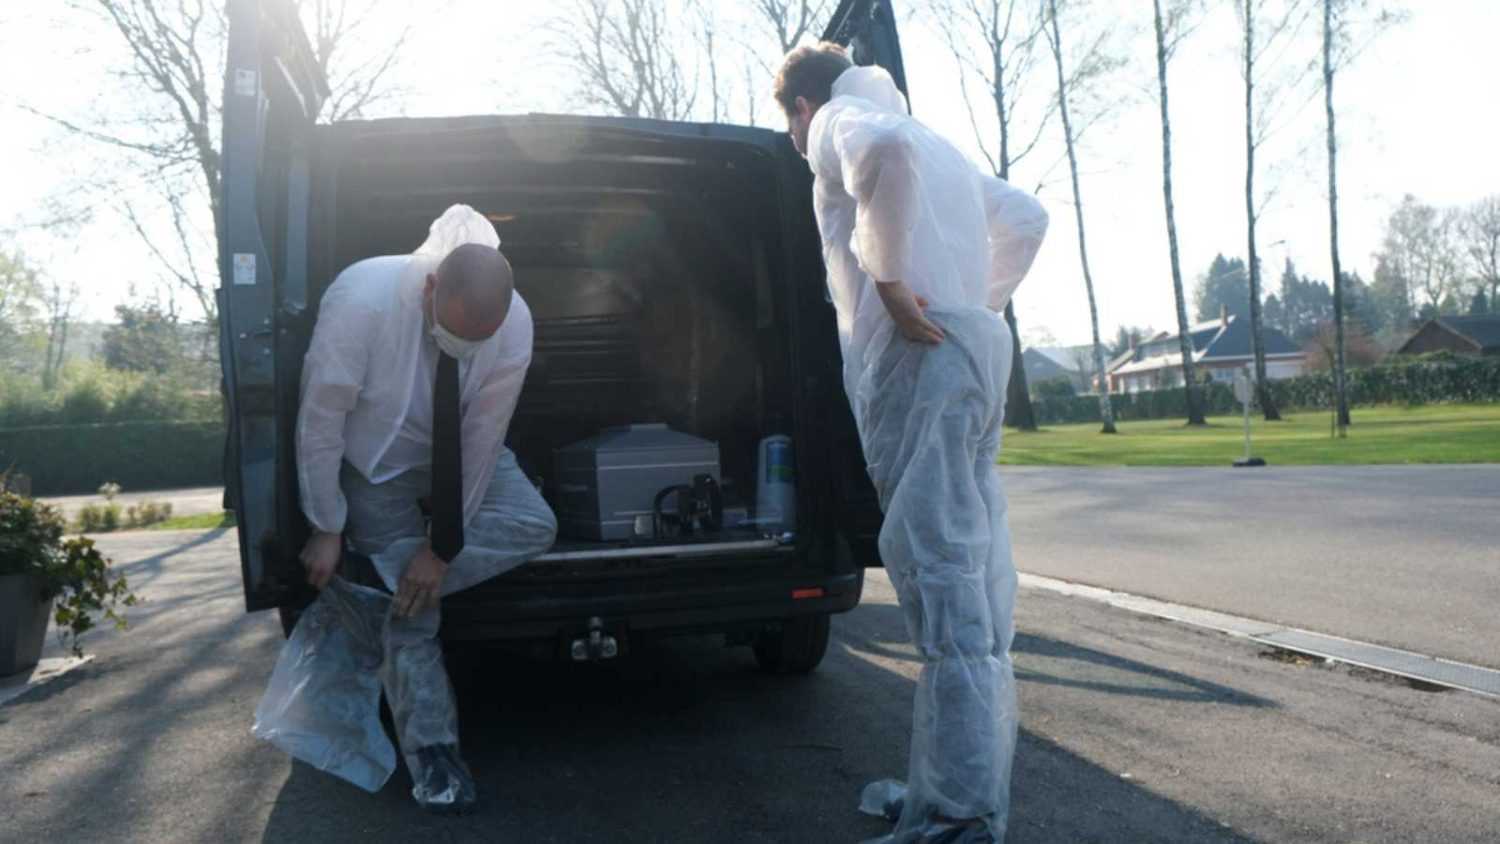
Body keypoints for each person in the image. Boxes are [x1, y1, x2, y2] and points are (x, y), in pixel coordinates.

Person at [774, 45, 1049, 843]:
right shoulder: (943, 147)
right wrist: (969, 306)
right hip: (973, 349)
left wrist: (891, 286)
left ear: (799, 108)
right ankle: (957, 792)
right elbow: (1027, 218)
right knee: (978, 585)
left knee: (941, 582)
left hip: (919, 360)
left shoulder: (839, 121)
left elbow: (879, 157)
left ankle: (958, 817)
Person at [252, 204, 557, 814]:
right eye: (452, 334)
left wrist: (440, 551)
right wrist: (328, 525)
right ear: (429, 287)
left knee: (535, 524)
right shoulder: (362, 298)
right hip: (376, 466)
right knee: (415, 618)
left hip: (463, 455)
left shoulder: (515, 323)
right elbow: (322, 419)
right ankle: (435, 755)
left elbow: (480, 437)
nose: (462, 349)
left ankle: (377, 586)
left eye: (477, 342)